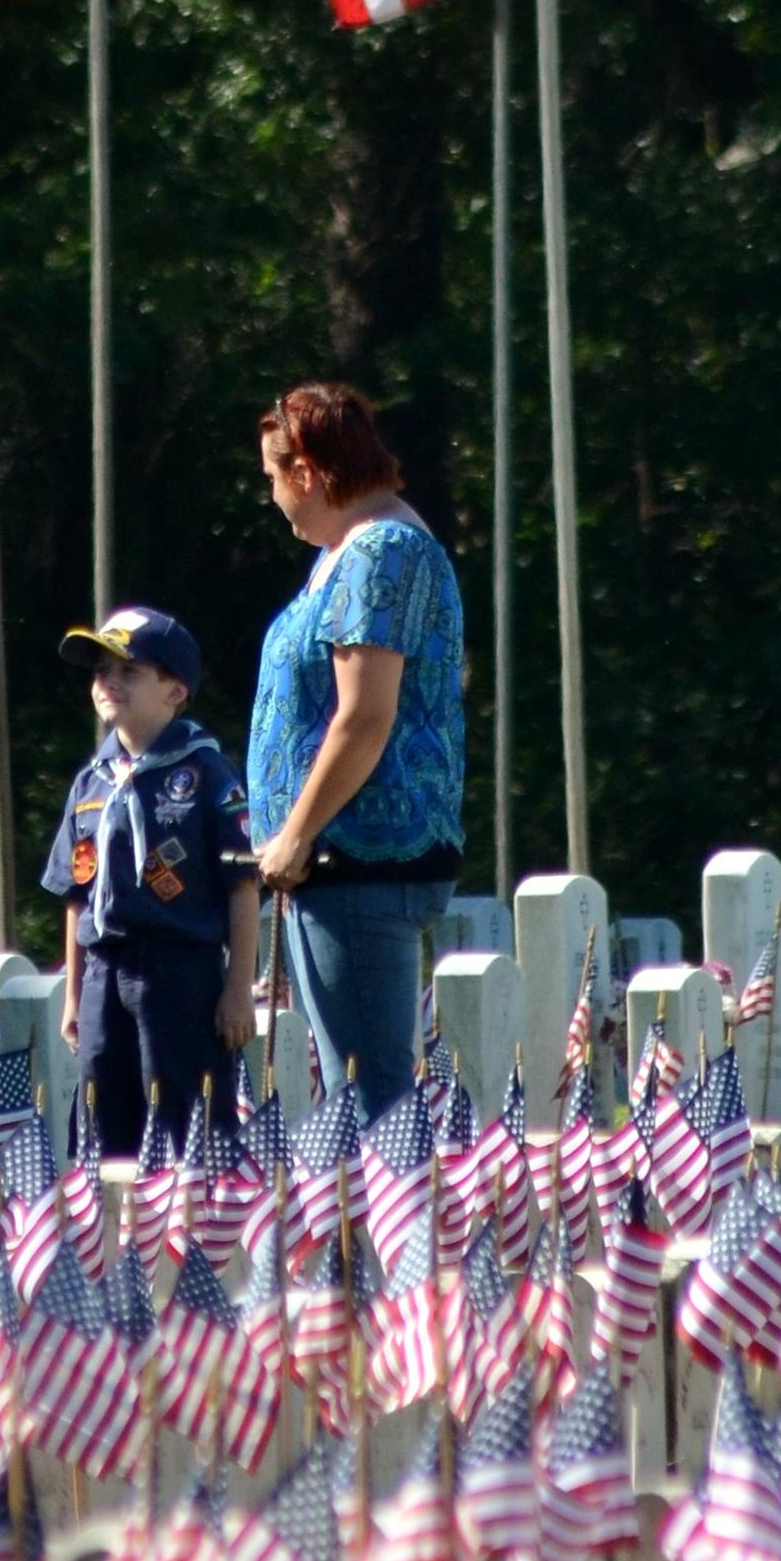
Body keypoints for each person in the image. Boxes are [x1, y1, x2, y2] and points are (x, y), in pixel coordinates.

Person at [246, 380, 465, 1116]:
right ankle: (365, 1235)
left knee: (372, 1106)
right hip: (334, 869)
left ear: (307, 473)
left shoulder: (382, 552)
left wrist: (296, 833)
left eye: (274, 478)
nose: (272, 497)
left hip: (359, 862)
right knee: (352, 1101)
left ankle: (397, 1236)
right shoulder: (348, 552)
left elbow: (364, 717)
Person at [42, 605, 257, 1156]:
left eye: (128, 670)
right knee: (101, 1122)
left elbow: (242, 885)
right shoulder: (91, 780)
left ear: (175, 690)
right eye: (100, 671)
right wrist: (72, 993)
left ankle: (193, 1236)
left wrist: (238, 991)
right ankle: (113, 1239)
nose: (109, 682)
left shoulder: (207, 773)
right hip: (103, 973)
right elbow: (76, 892)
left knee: (186, 1119)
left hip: (179, 972)